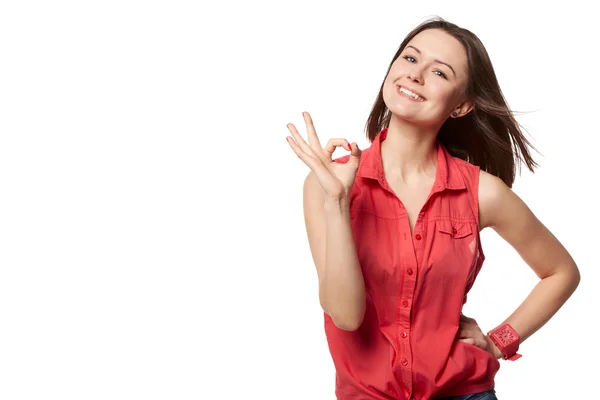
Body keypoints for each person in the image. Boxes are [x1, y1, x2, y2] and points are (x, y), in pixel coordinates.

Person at [285, 17, 580, 400]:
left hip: (464, 392)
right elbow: (346, 315)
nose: (416, 76)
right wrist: (338, 202)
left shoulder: (481, 193)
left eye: (439, 71)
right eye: (410, 59)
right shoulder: (329, 183)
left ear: (461, 105)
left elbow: (561, 272)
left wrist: (498, 341)